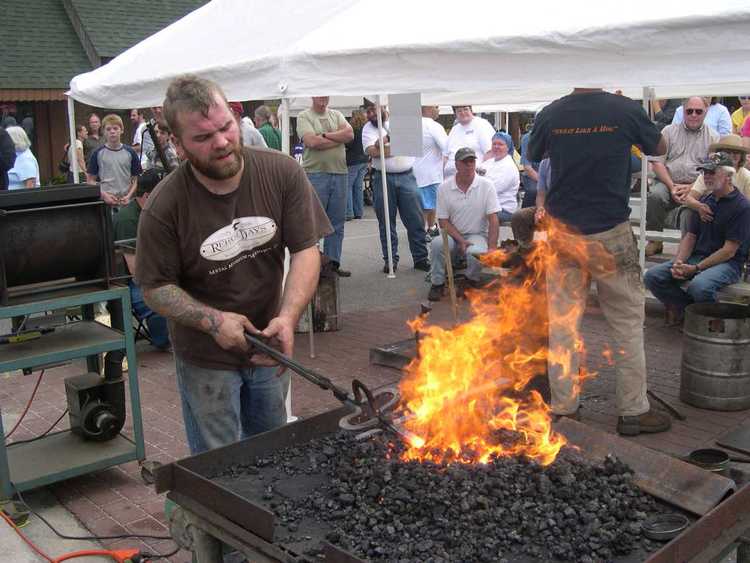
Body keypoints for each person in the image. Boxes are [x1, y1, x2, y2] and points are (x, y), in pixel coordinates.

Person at [136, 75, 332, 455]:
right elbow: (154, 287)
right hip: (205, 359)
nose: (222, 142)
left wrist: (288, 318)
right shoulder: (165, 206)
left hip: (268, 344)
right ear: (177, 144)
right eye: (203, 137)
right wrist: (214, 322)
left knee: (274, 455)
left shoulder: (282, 172)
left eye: (226, 127)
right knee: (219, 467)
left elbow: (307, 250)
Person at [529, 87, 670, 436]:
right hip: (610, 232)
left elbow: (533, 153)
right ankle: (633, 412)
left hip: (563, 233)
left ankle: (564, 408)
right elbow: (661, 149)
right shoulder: (624, 108)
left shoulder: (551, 112)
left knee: (562, 325)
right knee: (626, 322)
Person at [644, 153, 750, 325]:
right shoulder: (704, 201)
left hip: (728, 264)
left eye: (712, 172)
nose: (706, 176)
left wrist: (695, 268)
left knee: (700, 286)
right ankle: (690, 312)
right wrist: (679, 262)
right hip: (697, 258)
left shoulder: (742, 207)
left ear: (729, 176)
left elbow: (729, 251)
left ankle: (712, 322)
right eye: (705, 172)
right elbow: (690, 237)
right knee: (652, 277)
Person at [361, 100, 430, 274]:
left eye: (372, 110)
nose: (370, 115)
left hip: (407, 175)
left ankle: (421, 258)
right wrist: (398, 144)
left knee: (415, 219)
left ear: (383, 107)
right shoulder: (367, 129)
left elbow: (411, 145)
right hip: (382, 177)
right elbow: (372, 152)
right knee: (386, 221)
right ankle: (390, 260)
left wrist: (384, 141)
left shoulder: (403, 119)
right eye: (367, 111)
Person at [645, 96, 719, 256]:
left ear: (705, 112)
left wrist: (692, 188)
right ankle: (655, 241)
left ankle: (690, 248)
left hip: (698, 186)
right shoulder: (668, 131)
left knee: (694, 209)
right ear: (683, 112)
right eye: (689, 111)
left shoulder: (713, 137)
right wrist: (672, 186)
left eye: (698, 111)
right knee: (655, 196)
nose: (693, 115)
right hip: (668, 182)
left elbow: (713, 170)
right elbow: (657, 163)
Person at [428, 147, 500, 301]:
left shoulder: (487, 185)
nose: (469, 166)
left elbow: (493, 219)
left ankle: (470, 281)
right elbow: (443, 221)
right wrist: (461, 240)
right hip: (453, 235)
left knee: (477, 251)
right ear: (456, 165)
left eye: (471, 162)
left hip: (477, 234)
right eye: (465, 162)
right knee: (436, 244)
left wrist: (492, 247)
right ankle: (437, 283)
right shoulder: (444, 188)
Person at [113, 169, 171, 350]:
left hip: (153, 273)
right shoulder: (128, 220)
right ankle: (164, 341)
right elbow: (135, 270)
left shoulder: (153, 212)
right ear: (147, 196)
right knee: (162, 302)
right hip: (128, 282)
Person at [297, 96, 354, 276]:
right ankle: (313, 266)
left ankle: (332, 264)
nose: (324, 100)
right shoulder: (304, 116)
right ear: (313, 97)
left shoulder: (336, 114)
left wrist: (324, 135)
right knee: (314, 224)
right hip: (316, 174)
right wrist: (338, 138)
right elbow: (311, 142)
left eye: (326, 97)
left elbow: (350, 135)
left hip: (340, 173)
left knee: (337, 222)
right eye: (320, 96)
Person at [679, 135, 750, 234]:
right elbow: (689, 199)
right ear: (719, 154)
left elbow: (747, 207)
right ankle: (688, 241)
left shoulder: (746, 176)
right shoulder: (709, 172)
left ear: (741, 155)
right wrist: (700, 207)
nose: (732, 155)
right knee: (687, 212)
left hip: (736, 216)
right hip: (711, 213)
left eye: (736, 152)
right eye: (727, 152)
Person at [86, 114, 142, 208]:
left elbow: (136, 179)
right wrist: (103, 195)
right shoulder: (97, 153)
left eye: (115, 128)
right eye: (108, 129)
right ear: (103, 132)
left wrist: (129, 196)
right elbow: (90, 180)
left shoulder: (130, 152)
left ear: (122, 130)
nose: (112, 132)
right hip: (105, 203)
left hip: (127, 202)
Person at [413, 105, 448, 238]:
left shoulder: (411, 124)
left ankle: (431, 227)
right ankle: (421, 232)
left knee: (427, 204)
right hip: (430, 174)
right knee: (427, 206)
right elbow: (447, 147)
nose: (438, 110)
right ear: (427, 108)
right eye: (436, 106)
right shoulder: (434, 126)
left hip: (414, 173)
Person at [444, 105, 495, 177]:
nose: (463, 113)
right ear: (455, 114)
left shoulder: (481, 124)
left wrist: (479, 173)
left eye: (465, 109)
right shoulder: (454, 129)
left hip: (473, 176)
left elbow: (490, 153)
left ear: (471, 110)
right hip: (452, 177)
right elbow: (446, 155)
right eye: (459, 111)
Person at [480, 131, 520, 223]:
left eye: (500, 144)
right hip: (488, 206)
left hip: (503, 209)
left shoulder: (509, 166)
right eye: (494, 144)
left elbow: (492, 189)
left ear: (508, 147)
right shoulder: (490, 162)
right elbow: (474, 176)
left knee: (467, 215)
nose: (496, 147)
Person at [511, 157, 550, 247]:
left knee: (546, 222)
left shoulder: (572, 164)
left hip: (567, 210)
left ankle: (542, 249)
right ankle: (527, 250)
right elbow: (540, 195)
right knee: (519, 216)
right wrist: (540, 209)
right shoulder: (545, 164)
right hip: (548, 207)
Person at [344, 109, 369, 221]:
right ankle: (359, 212)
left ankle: (349, 213)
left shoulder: (352, 129)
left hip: (353, 161)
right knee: (358, 187)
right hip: (364, 159)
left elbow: (348, 144)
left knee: (348, 186)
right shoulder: (366, 129)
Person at [519, 122, 540, 208]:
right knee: (533, 191)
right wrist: (543, 181)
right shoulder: (527, 138)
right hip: (532, 175)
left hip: (548, 175)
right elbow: (527, 168)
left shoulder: (555, 136)